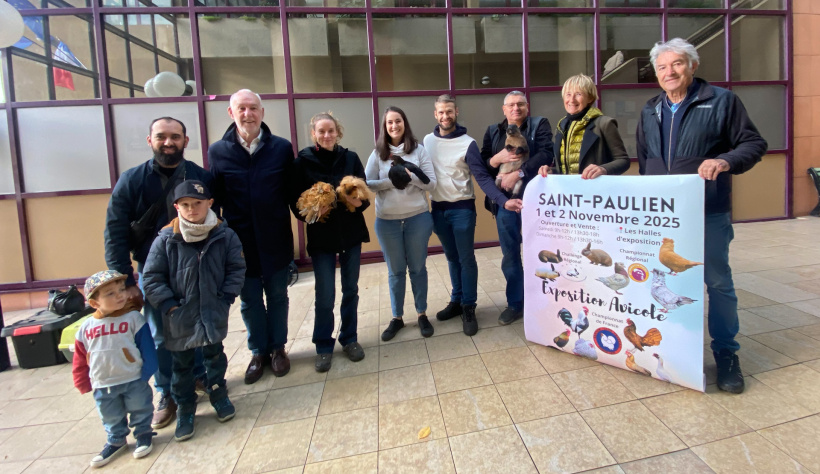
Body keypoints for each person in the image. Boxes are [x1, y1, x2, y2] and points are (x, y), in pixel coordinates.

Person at [637, 38, 767, 394]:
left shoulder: (721, 101)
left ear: (692, 66)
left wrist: (725, 161)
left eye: (677, 64)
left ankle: (726, 353)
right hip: (664, 221)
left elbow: (754, 144)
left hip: (707, 213)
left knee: (718, 284)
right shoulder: (650, 110)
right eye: (662, 67)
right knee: (667, 285)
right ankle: (676, 348)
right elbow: (646, 162)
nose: (669, 72)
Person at [103, 117, 211, 431]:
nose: (168, 142)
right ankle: (167, 394)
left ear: (185, 141)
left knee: (198, 324)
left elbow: (217, 220)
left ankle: (199, 376)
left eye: (174, 137)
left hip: (196, 265)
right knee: (161, 334)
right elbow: (115, 231)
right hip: (153, 272)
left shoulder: (200, 176)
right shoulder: (132, 180)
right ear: (150, 140)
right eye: (161, 137)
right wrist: (124, 281)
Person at [143, 180, 246, 441]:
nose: (192, 210)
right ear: (177, 206)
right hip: (180, 316)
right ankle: (186, 408)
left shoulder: (224, 234)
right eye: (185, 205)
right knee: (182, 366)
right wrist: (169, 305)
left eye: (197, 204)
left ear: (209, 203)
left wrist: (226, 297)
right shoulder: (166, 239)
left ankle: (218, 395)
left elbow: (236, 268)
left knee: (215, 356)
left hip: (213, 310)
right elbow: (152, 277)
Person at [209, 89, 295, 383]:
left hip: (276, 238)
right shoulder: (218, 151)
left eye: (253, 108)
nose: (248, 114)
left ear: (262, 112)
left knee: (278, 296)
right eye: (241, 109)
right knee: (249, 301)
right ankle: (258, 351)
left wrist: (313, 214)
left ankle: (278, 349)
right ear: (231, 114)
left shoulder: (282, 148)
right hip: (239, 243)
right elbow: (215, 200)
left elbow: (292, 192)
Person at [290, 112, 369, 372]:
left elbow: (364, 197)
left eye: (331, 131)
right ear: (313, 133)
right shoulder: (302, 162)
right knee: (325, 294)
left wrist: (357, 201)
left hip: (350, 234)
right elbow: (295, 204)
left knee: (351, 290)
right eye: (321, 131)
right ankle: (324, 345)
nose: (326, 135)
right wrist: (313, 213)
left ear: (338, 132)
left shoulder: (350, 158)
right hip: (322, 238)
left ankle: (350, 339)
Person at [476, 91, 554, 325]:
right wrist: (497, 160)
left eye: (520, 104)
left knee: (540, 251)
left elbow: (546, 153)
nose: (516, 108)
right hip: (505, 203)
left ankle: (544, 300)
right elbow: (484, 165)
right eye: (511, 105)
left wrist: (518, 173)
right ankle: (515, 304)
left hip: (535, 201)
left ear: (527, 107)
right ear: (504, 109)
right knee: (510, 254)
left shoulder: (539, 125)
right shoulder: (493, 131)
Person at [72, 270, 158, 468]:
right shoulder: (86, 328)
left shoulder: (134, 319)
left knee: (140, 408)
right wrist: (82, 381)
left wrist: (146, 372)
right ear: (94, 303)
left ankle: (143, 434)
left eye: (121, 290)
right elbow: (79, 358)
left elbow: (147, 347)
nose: (120, 295)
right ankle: (116, 440)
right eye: (110, 293)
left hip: (133, 378)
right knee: (110, 414)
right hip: (103, 383)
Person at [366, 106, 437, 341]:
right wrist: (391, 181)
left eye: (398, 121)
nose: (394, 126)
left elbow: (431, 184)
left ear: (404, 123)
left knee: (418, 269)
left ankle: (422, 314)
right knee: (395, 272)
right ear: (384, 127)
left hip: (418, 218)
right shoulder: (377, 153)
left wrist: (410, 176)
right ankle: (396, 318)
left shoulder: (418, 150)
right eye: (389, 123)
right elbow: (368, 183)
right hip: (387, 223)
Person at [423, 94, 481, 336]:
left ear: (456, 112)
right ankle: (456, 301)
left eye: (449, 111)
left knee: (466, 259)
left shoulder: (469, 143)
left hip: (462, 209)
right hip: (438, 209)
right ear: (435, 115)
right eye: (440, 112)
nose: (445, 116)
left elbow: (482, 175)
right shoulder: (426, 141)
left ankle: (469, 306)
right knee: (451, 258)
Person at [538, 74, 630, 179]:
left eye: (578, 94)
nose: (572, 100)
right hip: (569, 193)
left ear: (590, 98)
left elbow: (623, 160)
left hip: (595, 192)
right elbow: (565, 169)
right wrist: (552, 171)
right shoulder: (561, 126)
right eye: (568, 94)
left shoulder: (604, 124)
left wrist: (603, 169)